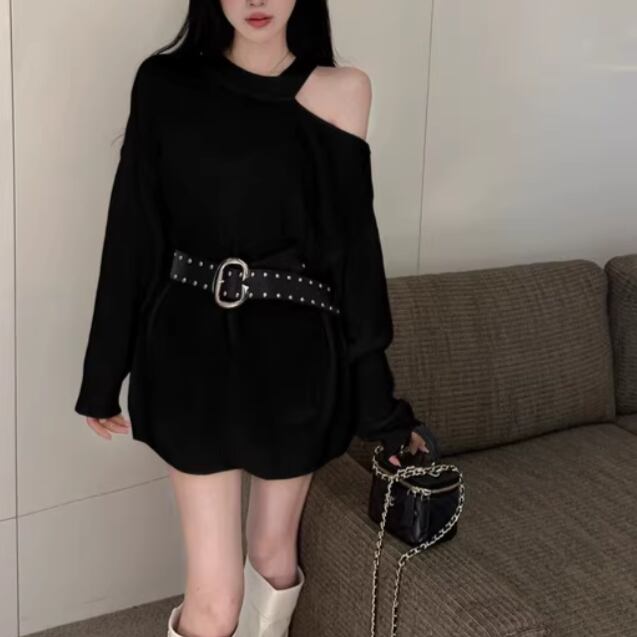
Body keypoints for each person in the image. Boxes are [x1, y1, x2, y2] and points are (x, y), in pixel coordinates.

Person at [74, 1, 434, 636]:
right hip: (188, 351)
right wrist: (104, 371)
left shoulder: (343, 92)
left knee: (273, 558)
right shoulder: (165, 84)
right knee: (215, 600)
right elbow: (132, 235)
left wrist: (383, 413)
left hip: (297, 361)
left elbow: (353, 260)